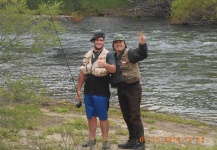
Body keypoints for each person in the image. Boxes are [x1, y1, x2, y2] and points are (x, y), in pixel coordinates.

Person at [76, 31, 116, 149]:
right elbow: (82, 74)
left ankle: (105, 141)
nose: (99, 42)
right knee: (91, 116)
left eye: (101, 40)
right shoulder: (87, 55)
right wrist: (79, 89)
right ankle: (92, 139)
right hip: (88, 92)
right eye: (97, 40)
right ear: (93, 41)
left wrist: (105, 65)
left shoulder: (109, 55)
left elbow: (113, 69)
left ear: (103, 42)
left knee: (103, 117)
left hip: (102, 93)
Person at [111, 32, 148, 150]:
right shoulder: (113, 57)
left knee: (135, 116)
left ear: (124, 43)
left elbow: (142, 54)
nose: (118, 44)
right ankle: (132, 140)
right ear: (113, 45)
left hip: (133, 88)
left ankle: (141, 142)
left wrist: (142, 45)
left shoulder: (130, 53)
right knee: (126, 115)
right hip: (121, 89)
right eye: (116, 43)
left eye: (120, 42)